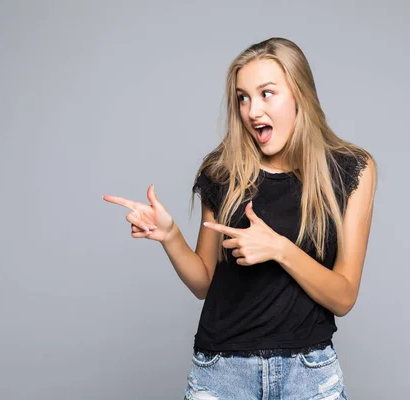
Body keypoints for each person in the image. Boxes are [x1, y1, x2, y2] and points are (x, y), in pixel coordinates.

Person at [103, 37, 377, 400]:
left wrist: (280, 249)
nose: (252, 111)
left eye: (267, 93)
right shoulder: (222, 172)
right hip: (222, 375)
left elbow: (343, 297)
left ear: (300, 94)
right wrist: (171, 237)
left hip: (309, 376)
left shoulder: (350, 170)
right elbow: (204, 283)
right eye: (243, 97)